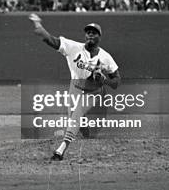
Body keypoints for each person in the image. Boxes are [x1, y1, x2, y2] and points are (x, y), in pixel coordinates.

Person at [29, 14, 121, 160]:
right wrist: (39, 27)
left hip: (93, 91)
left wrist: (105, 80)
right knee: (73, 116)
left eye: (94, 32)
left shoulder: (106, 57)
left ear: (99, 37)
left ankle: (61, 150)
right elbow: (51, 41)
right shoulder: (73, 47)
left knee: (75, 117)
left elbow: (116, 82)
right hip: (75, 87)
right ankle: (84, 129)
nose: (90, 34)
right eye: (88, 32)